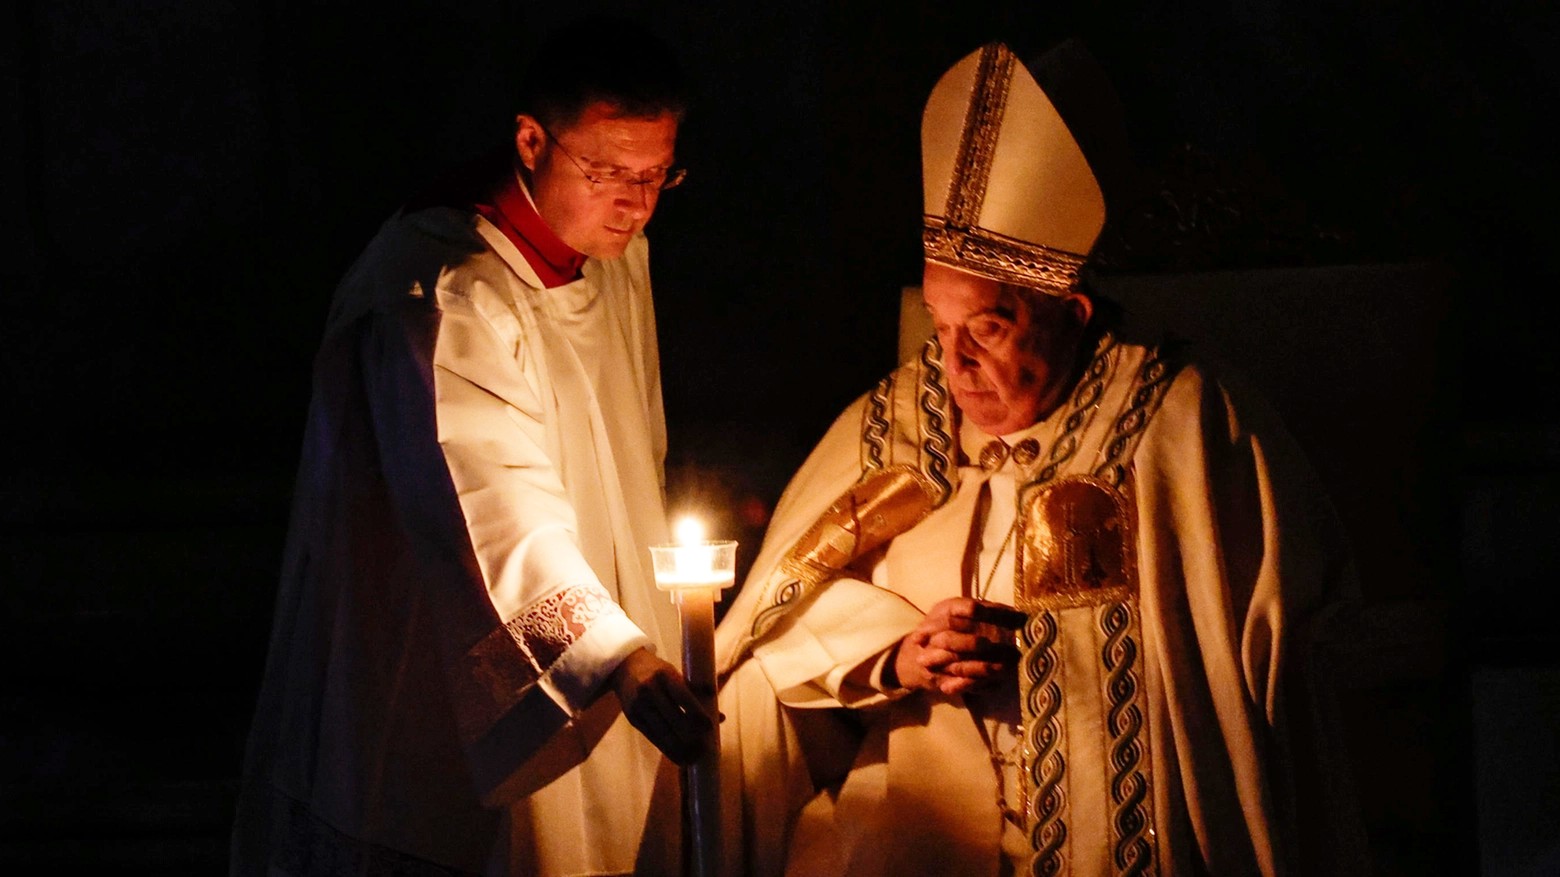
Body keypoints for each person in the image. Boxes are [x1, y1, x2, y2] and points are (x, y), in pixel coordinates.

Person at [713, 41, 1369, 876]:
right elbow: (777, 625)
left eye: (986, 328)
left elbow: (1277, 650)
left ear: (1072, 313)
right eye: (939, 328)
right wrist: (896, 651)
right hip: (920, 818)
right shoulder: (900, 418)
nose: (953, 367)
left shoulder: (1178, 417)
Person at [231, 17, 711, 877]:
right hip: (453, 668)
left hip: (612, 643)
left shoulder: (615, 254)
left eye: (655, 175)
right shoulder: (445, 291)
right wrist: (613, 656)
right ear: (532, 141)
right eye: (608, 173)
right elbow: (483, 502)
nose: (635, 205)